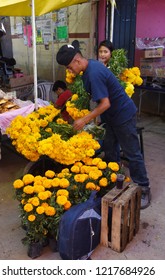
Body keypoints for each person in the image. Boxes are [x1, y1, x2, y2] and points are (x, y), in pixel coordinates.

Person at [56, 43, 151, 209]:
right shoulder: (89, 67)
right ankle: (116, 181)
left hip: (122, 115)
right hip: (112, 117)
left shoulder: (93, 73)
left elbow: (105, 103)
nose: (70, 71)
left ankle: (143, 187)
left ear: (77, 60)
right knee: (110, 148)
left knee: (132, 152)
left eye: (70, 67)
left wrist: (84, 120)